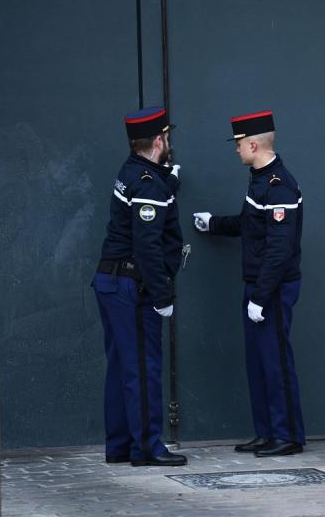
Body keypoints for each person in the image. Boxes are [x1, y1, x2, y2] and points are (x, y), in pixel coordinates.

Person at [193, 110, 306, 457]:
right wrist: (213, 224)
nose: (236, 149)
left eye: (239, 143)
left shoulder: (279, 185)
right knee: (258, 363)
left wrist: (260, 296)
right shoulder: (260, 180)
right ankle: (267, 432)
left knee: (275, 362)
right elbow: (249, 224)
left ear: (254, 145)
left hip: (271, 289)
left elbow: (280, 250)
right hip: (259, 287)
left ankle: (287, 436)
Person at [92, 106, 187, 466]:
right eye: (167, 137)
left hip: (113, 281)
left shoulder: (134, 171)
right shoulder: (147, 184)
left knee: (122, 367)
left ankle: (120, 445)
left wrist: (170, 183)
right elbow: (147, 245)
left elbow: (148, 196)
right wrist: (163, 294)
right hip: (133, 286)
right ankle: (147, 447)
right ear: (159, 141)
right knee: (144, 368)